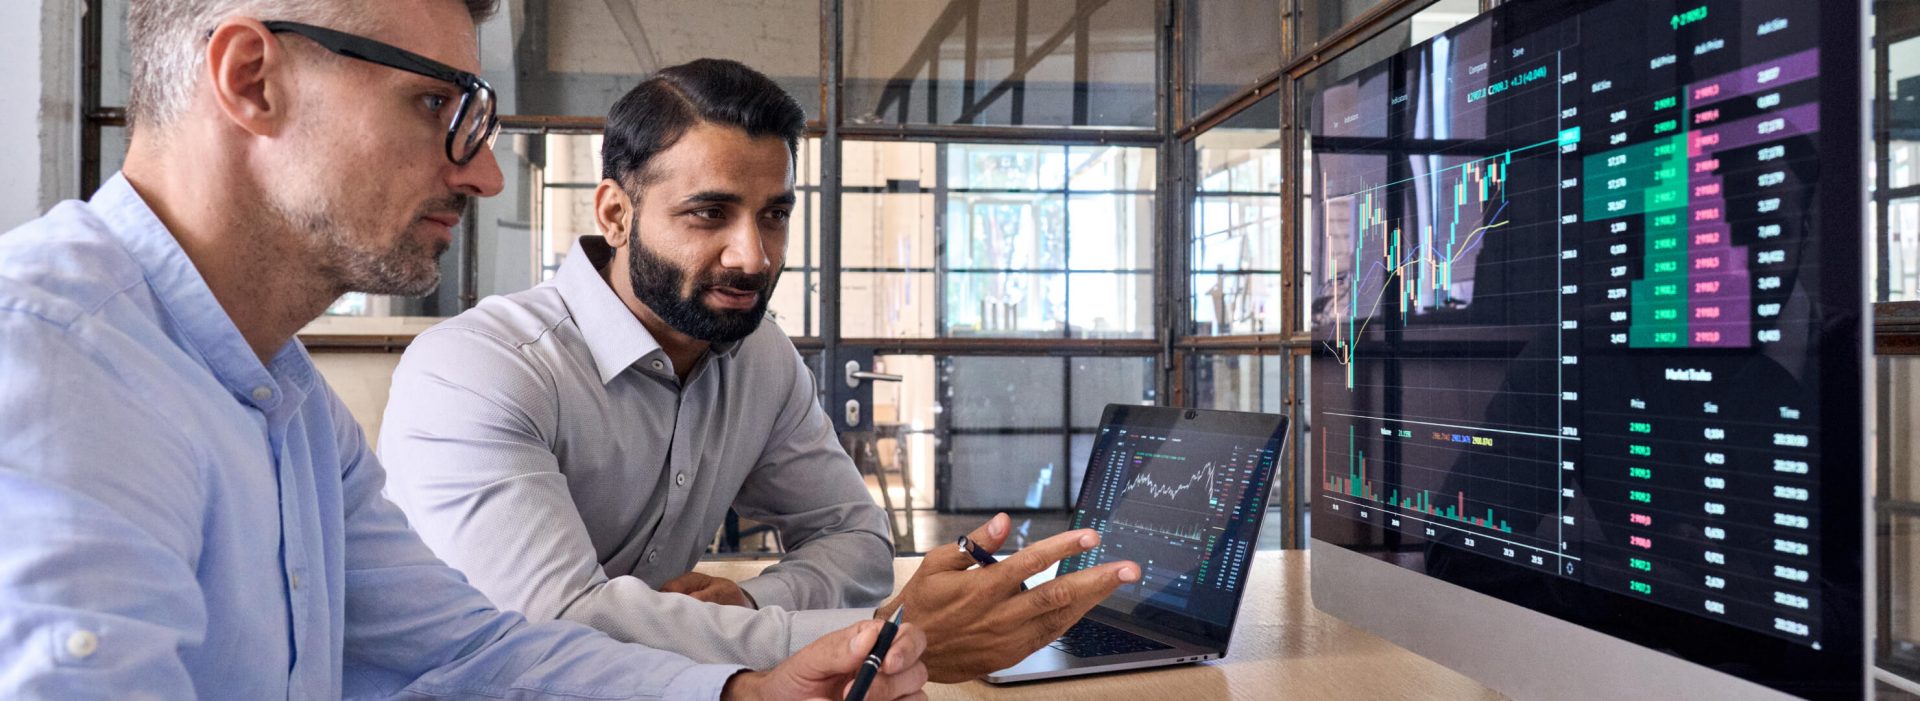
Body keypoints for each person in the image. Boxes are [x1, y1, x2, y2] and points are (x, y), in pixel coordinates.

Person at [0, 3, 927, 699]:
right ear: (252, 79)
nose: (483, 172)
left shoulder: (289, 400)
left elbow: (470, 649)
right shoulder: (49, 355)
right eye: (434, 102)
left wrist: (743, 690)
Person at [377, 58, 1143, 682]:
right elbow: (556, 624)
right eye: (709, 214)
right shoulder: (477, 370)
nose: (754, 256)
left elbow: (856, 538)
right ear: (614, 213)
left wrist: (751, 596)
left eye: (773, 214)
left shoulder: (758, 353)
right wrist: (887, 633)